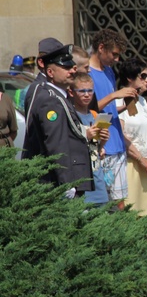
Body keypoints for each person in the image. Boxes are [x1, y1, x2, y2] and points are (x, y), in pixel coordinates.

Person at [21, 44, 94, 197]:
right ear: (50, 72)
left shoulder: (59, 97)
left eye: (73, 67)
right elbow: (56, 144)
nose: (72, 70)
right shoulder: (51, 100)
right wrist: (66, 183)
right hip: (60, 181)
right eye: (66, 68)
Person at [89, 29, 136, 210]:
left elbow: (106, 109)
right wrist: (115, 94)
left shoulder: (108, 71)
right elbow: (90, 109)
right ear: (101, 48)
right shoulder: (88, 73)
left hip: (116, 142)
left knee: (120, 201)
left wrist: (124, 105)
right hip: (102, 144)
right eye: (114, 54)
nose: (116, 60)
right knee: (105, 202)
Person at [116, 58, 147, 217]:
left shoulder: (142, 102)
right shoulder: (118, 100)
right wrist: (141, 159)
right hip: (130, 165)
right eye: (143, 76)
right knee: (131, 214)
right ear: (130, 78)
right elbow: (120, 135)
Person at [68, 72, 110, 207]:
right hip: (83, 186)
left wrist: (103, 140)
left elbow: (97, 148)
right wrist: (86, 135)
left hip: (98, 183)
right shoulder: (70, 115)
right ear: (72, 92)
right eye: (82, 91)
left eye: (90, 91)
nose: (87, 95)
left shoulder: (94, 115)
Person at [24, 37, 63, 124]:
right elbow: (31, 126)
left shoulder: (57, 85)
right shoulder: (39, 88)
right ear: (41, 63)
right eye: (57, 61)